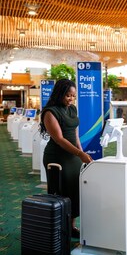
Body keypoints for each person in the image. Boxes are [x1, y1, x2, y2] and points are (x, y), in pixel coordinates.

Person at [40, 79, 92, 238]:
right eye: (68, 95)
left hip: (73, 156)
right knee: (61, 192)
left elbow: (75, 134)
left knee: (75, 191)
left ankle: (71, 226)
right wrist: (79, 154)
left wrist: (81, 152)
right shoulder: (50, 112)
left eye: (73, 96)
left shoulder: (72, 109)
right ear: (59, 93)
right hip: (57, 157)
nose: (71, 99)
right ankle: (58, 228)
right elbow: (59, 139)